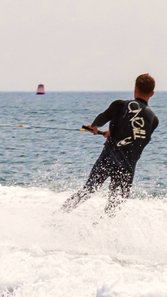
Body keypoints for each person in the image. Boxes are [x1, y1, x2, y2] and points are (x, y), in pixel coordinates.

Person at [61, 73, 159, 213]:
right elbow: (138, 140)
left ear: (135, 88)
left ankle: (59, 215)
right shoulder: (154, 120)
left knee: (88, 190)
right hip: (127, 167)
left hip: (108, 158)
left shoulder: (120, 105)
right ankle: (102, 231)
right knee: (114, 205)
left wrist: (94, 127)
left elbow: (102, 118)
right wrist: (114, 133)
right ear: (152, 93)